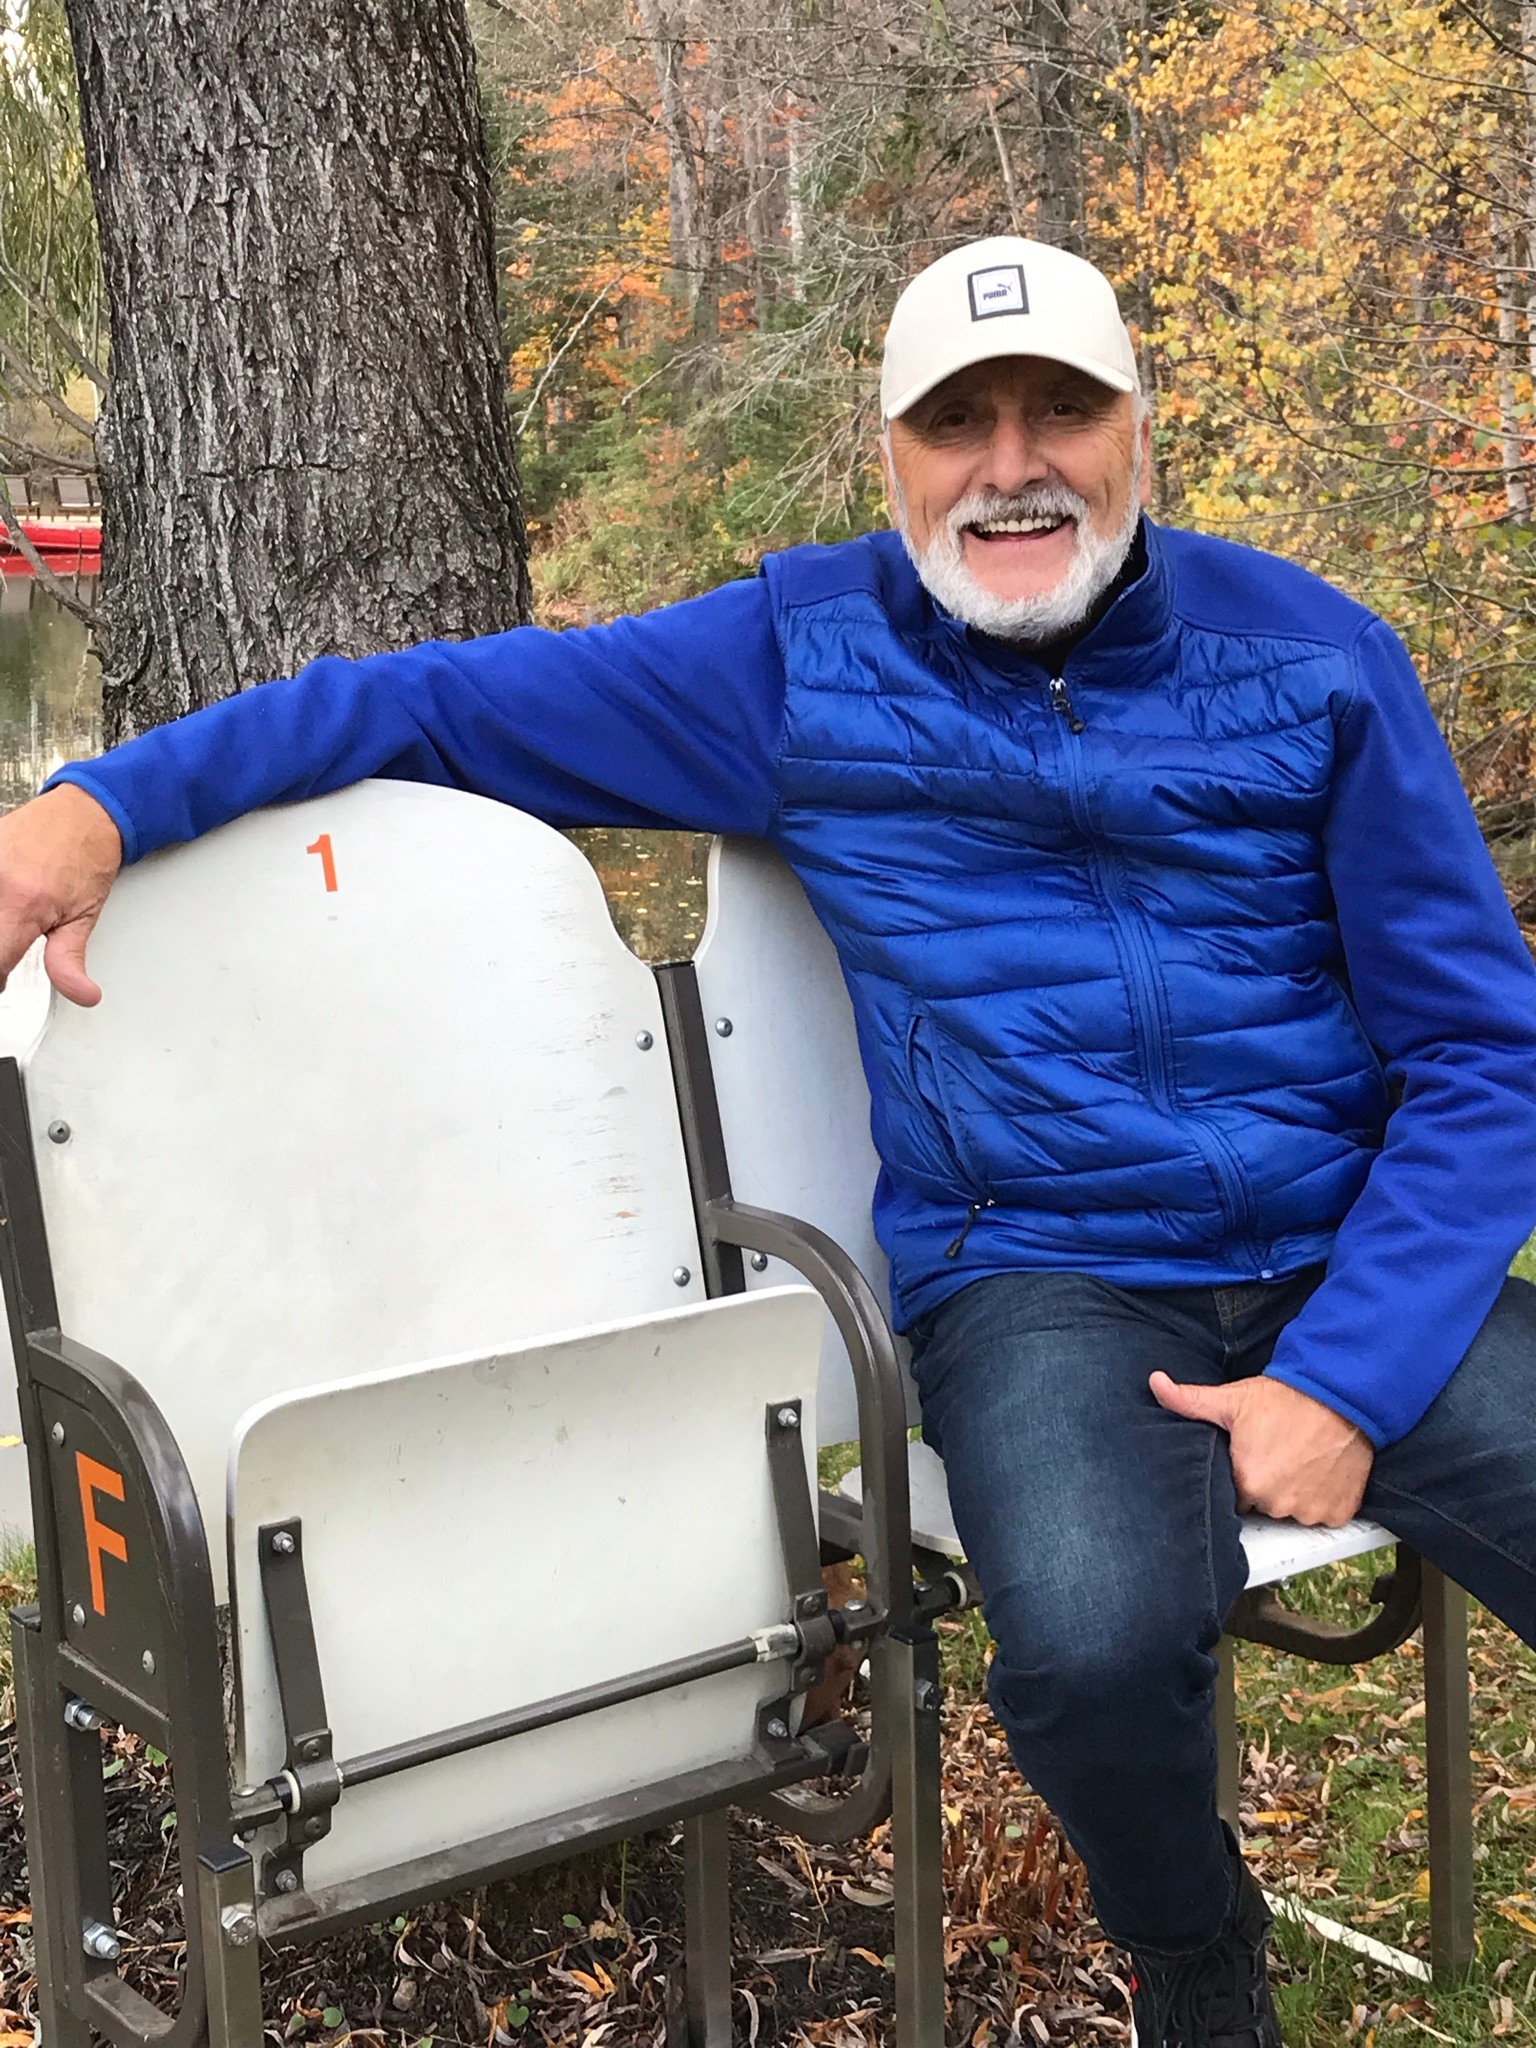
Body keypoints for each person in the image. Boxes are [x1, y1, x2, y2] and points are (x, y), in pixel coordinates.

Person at [6, 236, 1536, 2048]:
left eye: (1061, 411)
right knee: (1093, 1646)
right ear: (891, 456)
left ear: (1140, 428)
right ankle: (1195, 1947)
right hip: (1042, 1276)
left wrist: (1345, 1379)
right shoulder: (797, 664)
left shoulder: (1316, 656)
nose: (1012, 466)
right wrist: (102, 801)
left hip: (1353, 1247)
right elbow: (428, 704)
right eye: (957, 424)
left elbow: (1480, 1049)